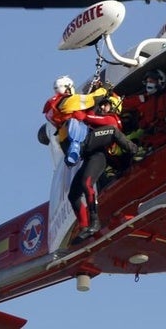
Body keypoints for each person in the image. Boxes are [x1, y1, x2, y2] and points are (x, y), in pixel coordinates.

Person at [67, 94, 140, 244]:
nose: (101, 107)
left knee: (86, 184)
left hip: (99, 156)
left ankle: (94, 222)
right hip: (90, 155)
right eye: (101, 105)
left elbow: (89, 118)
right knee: (73, 195)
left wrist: (75, 111)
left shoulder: (111, 120)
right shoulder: (97, 123)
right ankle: (84, 227)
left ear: (113, 107)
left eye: (105, 105)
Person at [123, 69, 166, 150]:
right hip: (149, 139)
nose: (148, 84)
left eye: (152, 81)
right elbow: (124, 103)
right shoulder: (144, 99)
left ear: (160, 81)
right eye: (147, 81)